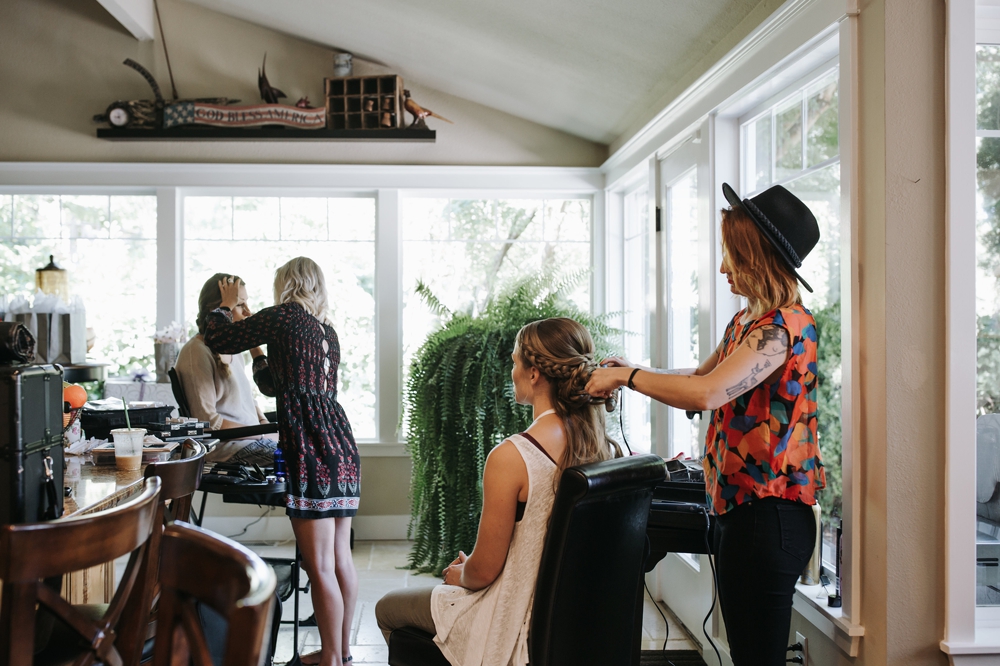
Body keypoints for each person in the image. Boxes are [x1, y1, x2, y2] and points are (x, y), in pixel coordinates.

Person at [586, 183, 827, 666]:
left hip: (770, 518)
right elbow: (701, 376)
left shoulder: (783, 330)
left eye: (730, 256)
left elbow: (708, 394)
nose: (722, 268)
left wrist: (628, 378)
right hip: (738, 513)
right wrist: (630, 369)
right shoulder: (747, 323)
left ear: (756, 258)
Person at [375, 317, 621, 666]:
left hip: (512, 617)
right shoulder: (602, 450)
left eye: (514, 362)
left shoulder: (513, 456)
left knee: (387, 609)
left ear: (534, 373)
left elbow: (484, 572)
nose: (512, 371)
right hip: (575, 619)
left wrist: (461, 573)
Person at [205, 258, 359, 666]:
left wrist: (224, 305)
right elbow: (276, 384)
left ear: (286, 285)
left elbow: (219, 339)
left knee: (319, 563)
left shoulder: (285, 315)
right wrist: (258, 343)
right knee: (339, 557)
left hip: (310, 445)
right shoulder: (326, 332)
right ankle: (340, 652)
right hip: (340, 445)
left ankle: (327, 658)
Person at [174, 273, 278, 465]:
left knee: (309, 450)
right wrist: (258, 434)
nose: (248, 312)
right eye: (239, 304)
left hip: (250, 437)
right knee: (298, 459)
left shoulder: (233, 349)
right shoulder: (196, 352)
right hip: (224, 446)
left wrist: (263, 425)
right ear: (218, 310)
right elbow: (208, 422)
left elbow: (246, 401)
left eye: (246, 303)